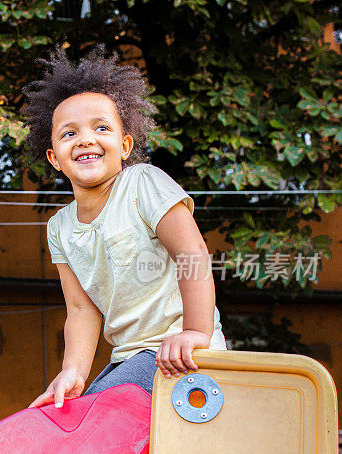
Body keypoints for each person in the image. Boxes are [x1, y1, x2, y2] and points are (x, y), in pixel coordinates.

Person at [26, 46, 228, 410]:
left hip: (179, 354)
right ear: (54, 158)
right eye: (69, 133)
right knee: (74, 412)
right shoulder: (60, 227)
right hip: (130, 359)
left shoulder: (142, 184)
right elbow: (81, 310)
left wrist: (196, 333)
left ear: (124, 145)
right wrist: (72, 370)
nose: (86, 139)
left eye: (101, 128)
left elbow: (192, 255)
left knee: (93, 418)